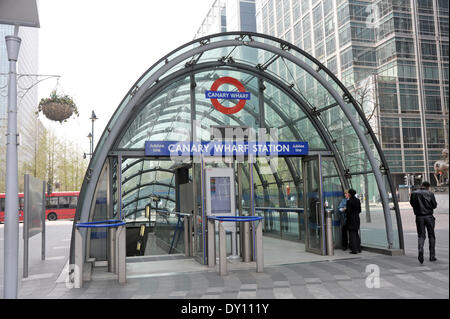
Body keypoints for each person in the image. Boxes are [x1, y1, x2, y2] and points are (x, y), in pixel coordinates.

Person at [409, 181, 438, 264]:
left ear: (421, 185)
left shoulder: (414, 193)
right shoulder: (430, 193)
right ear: (428, 187)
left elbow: (412, 204)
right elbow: (434, 205)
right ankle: (432, 256)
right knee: (431, 236)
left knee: (421, 235)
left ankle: (420, 249)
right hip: (429, 217)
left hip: (419, 217)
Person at [346, 189, 362, 254]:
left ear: (349, 194)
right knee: (356, 233)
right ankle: (359, 248)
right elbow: (359, 210)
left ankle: (354, 249)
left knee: (352, 234)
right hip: (357, 218)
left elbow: (348, 212)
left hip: (351, 219)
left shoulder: (349, 201)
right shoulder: (358, 200)